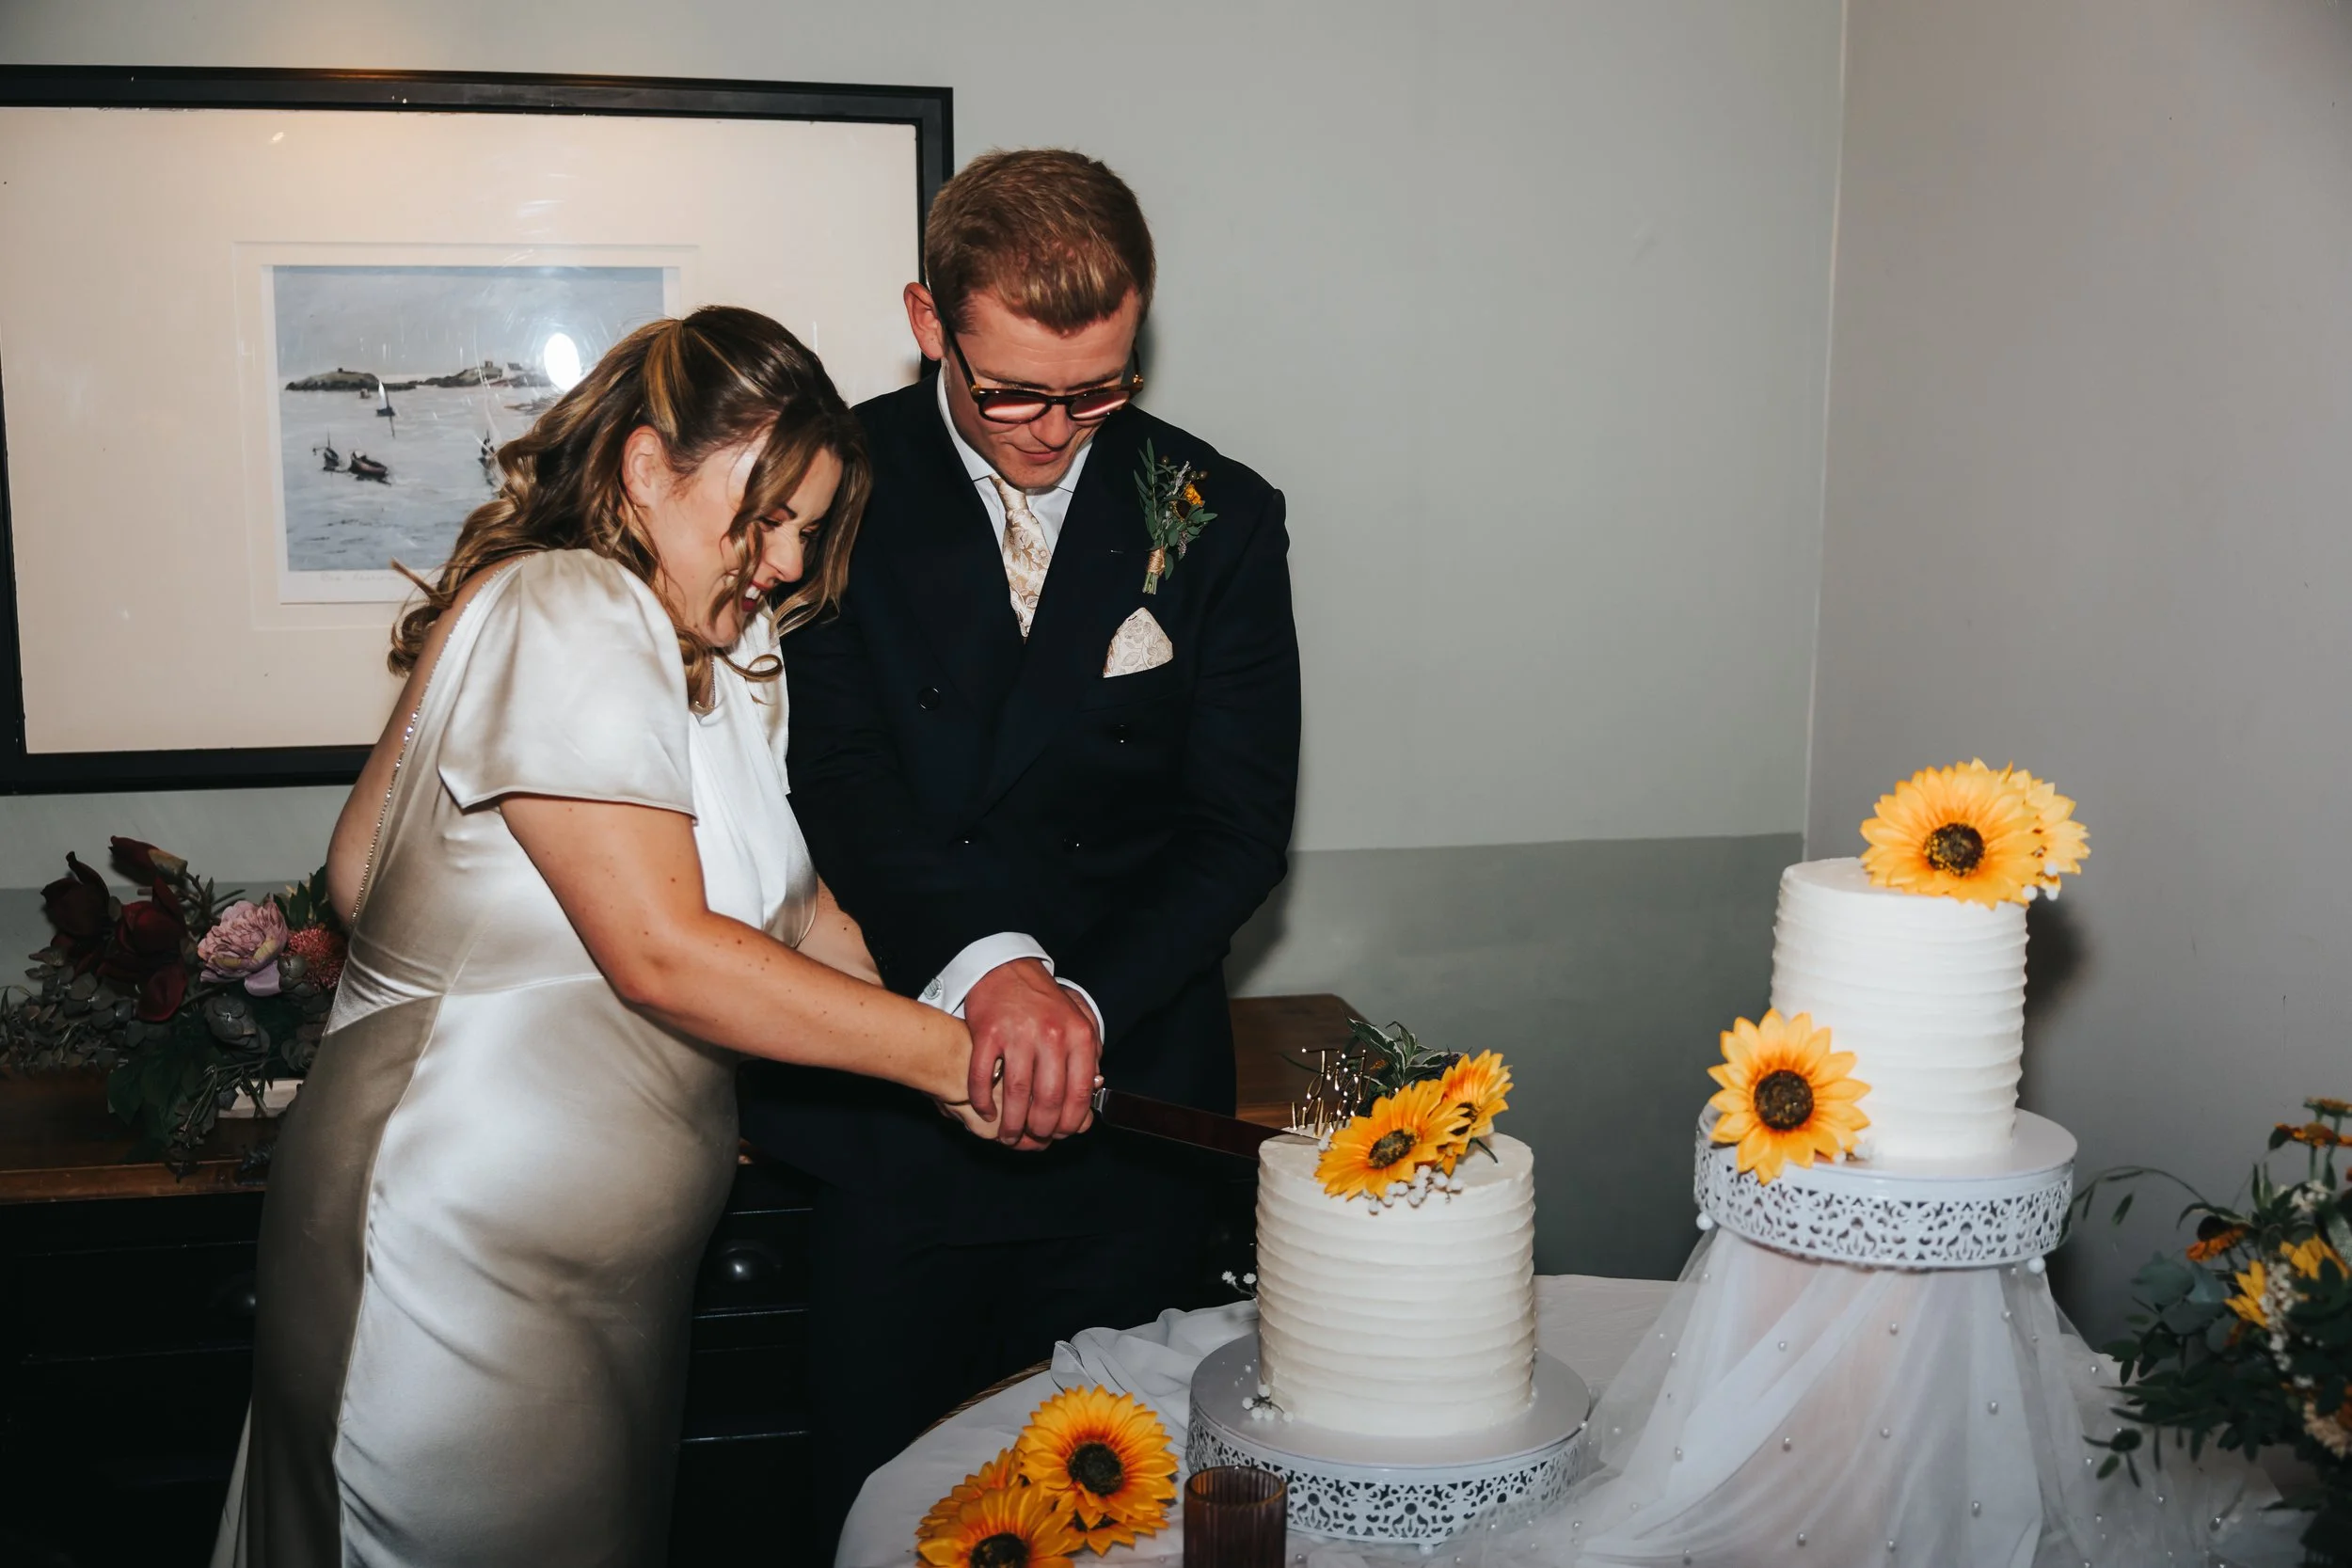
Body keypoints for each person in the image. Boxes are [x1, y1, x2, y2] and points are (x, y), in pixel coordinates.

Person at [213, 308, 1000, 1568]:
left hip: (613, 1273)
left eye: (808, 527)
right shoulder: (568, 605)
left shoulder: (731, 659)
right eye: (765, 515)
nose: (789, 563)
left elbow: (800, 914)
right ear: (646, 469)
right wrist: (944, 1063)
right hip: (455, 1246)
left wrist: (974, 1036)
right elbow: (664, 953)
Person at [739, 149, 1302, 1540]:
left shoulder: (1218, 512)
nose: (1057, 429)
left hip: (1125, 1109)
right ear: (931, 321)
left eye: (1100, 388)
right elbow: (839, 779)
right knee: (895, 1499)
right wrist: (990, 971)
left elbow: (1236, 829)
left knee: (1114, 1514)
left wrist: (1082, 1000)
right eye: (1016, 392)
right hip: (897, 1103)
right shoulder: (832, 490)